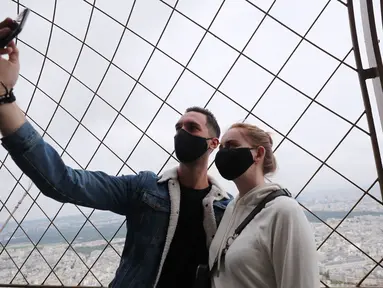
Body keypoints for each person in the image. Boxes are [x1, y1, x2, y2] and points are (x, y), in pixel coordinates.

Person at [0, 18, 232, 288]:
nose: (182, 132)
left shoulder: (227, 208)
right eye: (178, 127)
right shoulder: (142, 189)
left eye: (192, 127)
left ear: (213, 143)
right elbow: (63, 182)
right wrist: (5, 97)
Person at [209, 122, 320, 288]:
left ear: (258, 154)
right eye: (221, 148)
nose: (224, 153)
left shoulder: (284, 211)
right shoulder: (231, 208)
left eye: (232, 146)